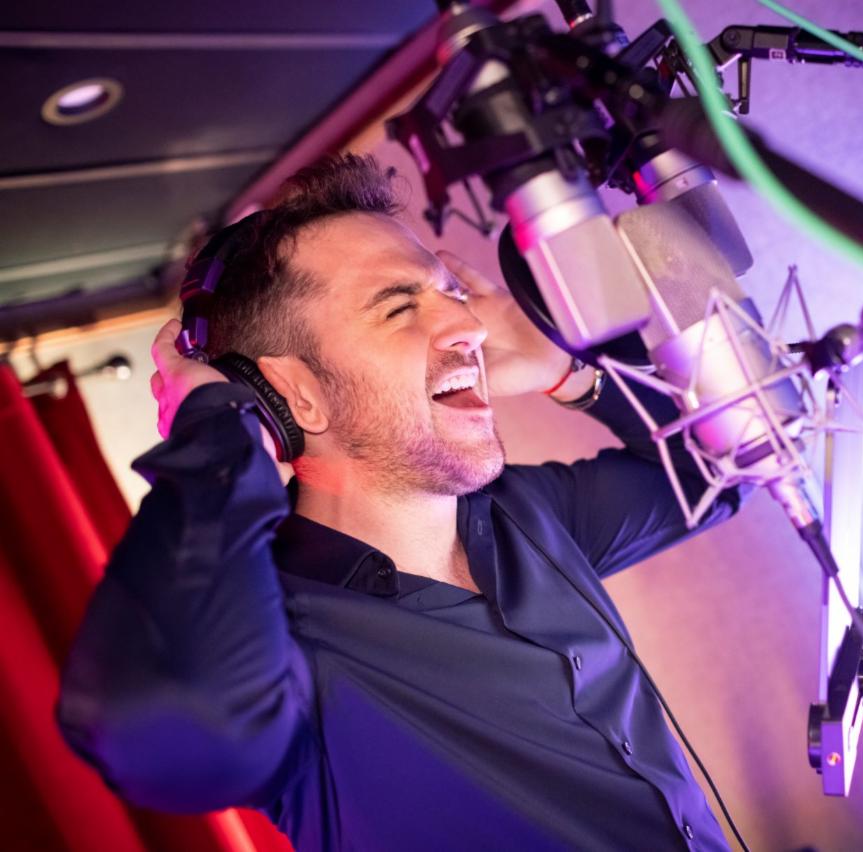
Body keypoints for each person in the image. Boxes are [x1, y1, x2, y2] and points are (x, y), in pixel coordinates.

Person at [56, 154, 744, 851]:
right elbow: (158, 725)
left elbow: (719, 468)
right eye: (398, 306)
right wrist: (217, 430)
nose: (469, 327)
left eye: (451, 293)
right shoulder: (285, 642)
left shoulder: (526, 514)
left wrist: (567, 371)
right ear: (295, 397)